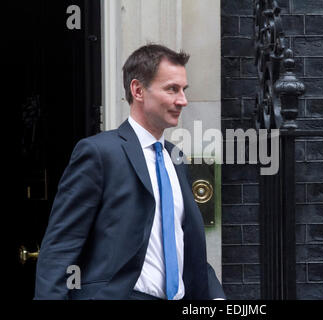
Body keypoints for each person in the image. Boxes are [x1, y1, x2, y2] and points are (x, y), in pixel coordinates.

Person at [34, 43, 226, 300]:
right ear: (138, 90)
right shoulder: (99, 153)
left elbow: (185, 244)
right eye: (172, 89)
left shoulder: (176, 158)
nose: (183, 100)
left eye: (183, 90)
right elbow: (61, 246)